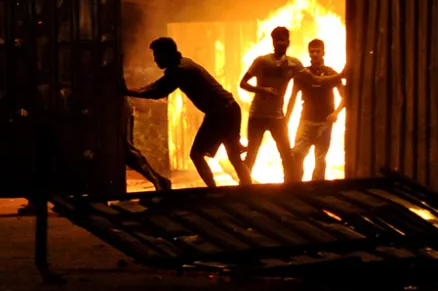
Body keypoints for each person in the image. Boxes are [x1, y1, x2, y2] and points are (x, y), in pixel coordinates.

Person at [123, 37, 252, 188]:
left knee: (197, 155)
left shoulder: (181, 70)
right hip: (227, 110)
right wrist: (130, 91)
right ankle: (246, 189)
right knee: (233, 156)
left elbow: (156, 91)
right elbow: (156, 87)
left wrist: (126, 91)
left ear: (167, 53)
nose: (155, 59)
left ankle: (215, 190)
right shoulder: (182, 65)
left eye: (157, 55)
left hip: (221, 113)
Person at [240, 26, 345, 181]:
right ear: (273, 42)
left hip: (280, 117)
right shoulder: (262, 61)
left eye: (284, 40)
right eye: (278, 41)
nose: (281, 44)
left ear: (288, 42)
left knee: (292, 157)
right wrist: (262, 90)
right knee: (254, 156)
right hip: (260, 116)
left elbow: (316, 80)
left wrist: (340, 77)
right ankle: (245, 187)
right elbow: (243, 83)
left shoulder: (294, 64)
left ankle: (293, 187)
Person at [285, 39, 345, 182]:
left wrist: (335, 113)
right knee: (297, 155)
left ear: (323, 52)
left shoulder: (331, 73)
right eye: (312, 51)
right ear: (309, 53)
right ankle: (296, 186)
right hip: (306, 121)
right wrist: (286, 119)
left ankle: (316, 188)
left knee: (320, 159)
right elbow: (292, 98)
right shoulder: (302, 74)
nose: (315, 54)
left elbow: (345, 97)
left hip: (325, 123)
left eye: (318, 51)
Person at [123, 97, 172, 191]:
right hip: (117, 107)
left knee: (126, 149)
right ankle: (160, 181)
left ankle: (159, 181)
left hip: (116, 109)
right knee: (126, 150)